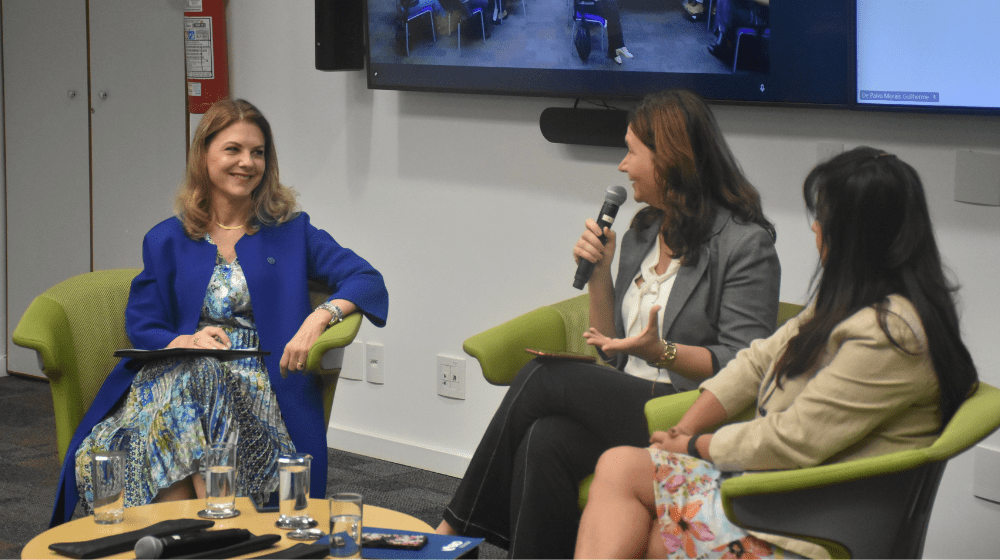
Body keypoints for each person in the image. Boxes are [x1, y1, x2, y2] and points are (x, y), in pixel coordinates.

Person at [575, 146, 979, 559]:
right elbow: (756, 360)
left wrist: (695, 446)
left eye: (822, 218)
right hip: (778, 498)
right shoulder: (858, 302)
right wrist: (682, 432)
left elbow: (791, 437)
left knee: (634, 497)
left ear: (856, 235)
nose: (815, 230)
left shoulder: (889, 335)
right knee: (633, 490)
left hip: (804, 526)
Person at [437, 89, 780, 558]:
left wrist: (662, 352)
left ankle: (453, 528)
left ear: (669, 160)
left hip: (687, 412)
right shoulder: (642, 230)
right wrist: (600, 277)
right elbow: (608, 347)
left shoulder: (744, 244)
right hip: (630, 402)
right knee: (546, 437)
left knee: (544, 375)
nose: (622, 165)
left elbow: (742, 368)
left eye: (632, 152)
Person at [50, 99, 389, 526]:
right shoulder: (167, 238)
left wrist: (318, 318)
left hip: (257, 380)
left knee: (195, 387)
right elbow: (143, 323)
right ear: (204, 155)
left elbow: (366, 279)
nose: (247, 162)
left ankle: (182, 537)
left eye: (258, 152)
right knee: (192, 377)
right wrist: (185, 342)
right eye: (233, 149)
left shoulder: (291, 231)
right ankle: (211, 533)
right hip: (175, 375)